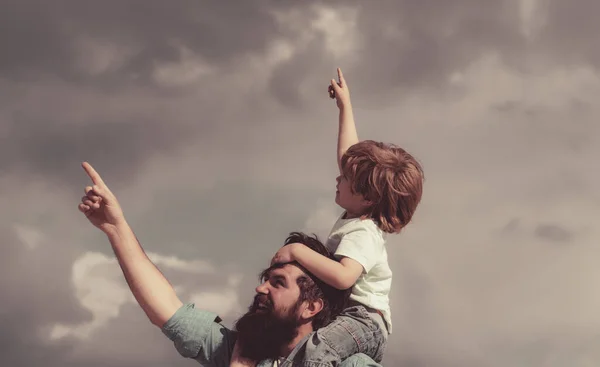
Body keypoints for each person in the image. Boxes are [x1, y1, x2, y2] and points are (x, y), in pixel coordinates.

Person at [77, 162, 383, 367]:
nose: (260, 288)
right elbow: (166, 310)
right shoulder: (240, 349)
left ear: (311, 307)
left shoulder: (351, 364)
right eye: (267, 278)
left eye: (278, 283)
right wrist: (115, 228)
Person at [260, 68, 424, 366]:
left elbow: (343, 276)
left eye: (346, 179)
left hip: (363, 322)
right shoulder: (356, 213)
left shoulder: (363, 232)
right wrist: (345, 106)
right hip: (351, 320)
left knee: (316, 349)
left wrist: (297, 250)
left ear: (368, 197)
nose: (338, 179)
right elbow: (348, 154)